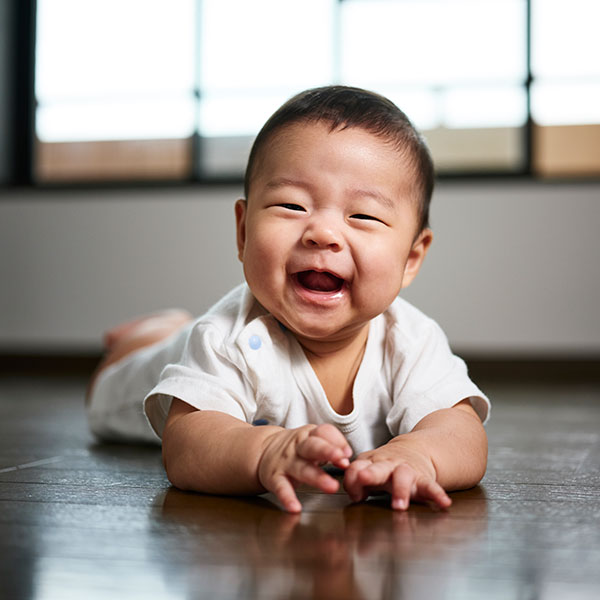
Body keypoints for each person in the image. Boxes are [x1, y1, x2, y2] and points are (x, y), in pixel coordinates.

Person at [87, 85, 490, 513]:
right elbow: (186, 445)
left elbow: (460, 429)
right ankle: (152, 332)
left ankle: (170, 325)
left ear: (411, 258)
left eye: (363, 216)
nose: (323, 232)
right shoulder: (225, 337)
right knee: (110, 385)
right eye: (292, 205)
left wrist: (419, 454)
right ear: (243, 232)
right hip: (141, 382)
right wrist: (265, 451)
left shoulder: (410, 340)